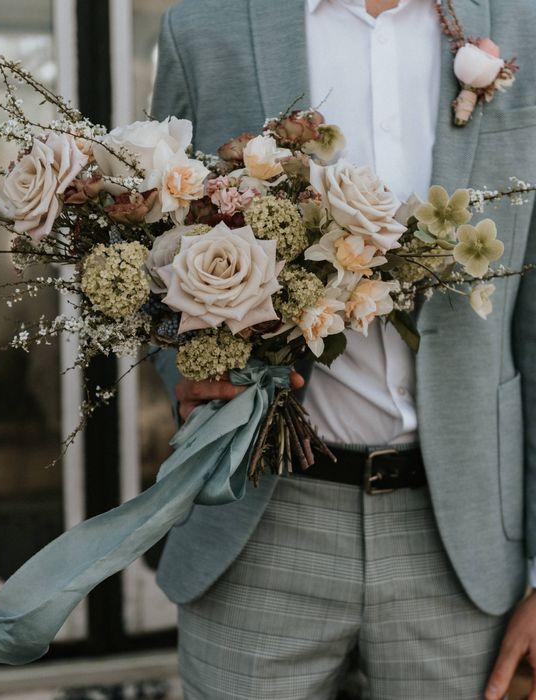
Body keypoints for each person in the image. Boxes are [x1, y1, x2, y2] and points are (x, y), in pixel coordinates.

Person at [148, 1, 536, 698]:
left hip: (466, 543)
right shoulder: (205, 28)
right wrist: (188, 367)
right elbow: (157, 251)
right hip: (260, 524)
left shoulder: (524, 22)